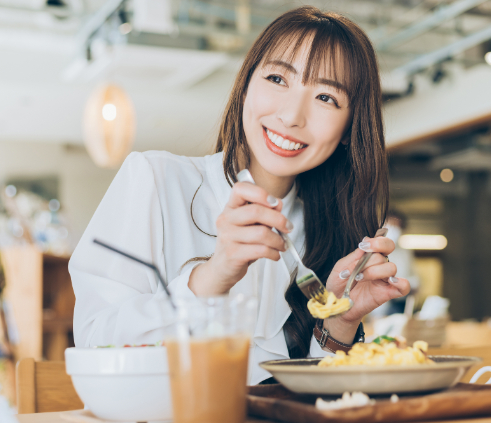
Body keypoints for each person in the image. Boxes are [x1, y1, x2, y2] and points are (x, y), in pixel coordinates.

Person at [69, 6, 410, 385]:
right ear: (246, 85)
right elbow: (95, 343)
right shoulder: (155, 179)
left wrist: (340, 324)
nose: (292, 115)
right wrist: (211, 277)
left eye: (326, 98)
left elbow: (312, 400)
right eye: (278, 78)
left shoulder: (329, 232)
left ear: (349, 128)